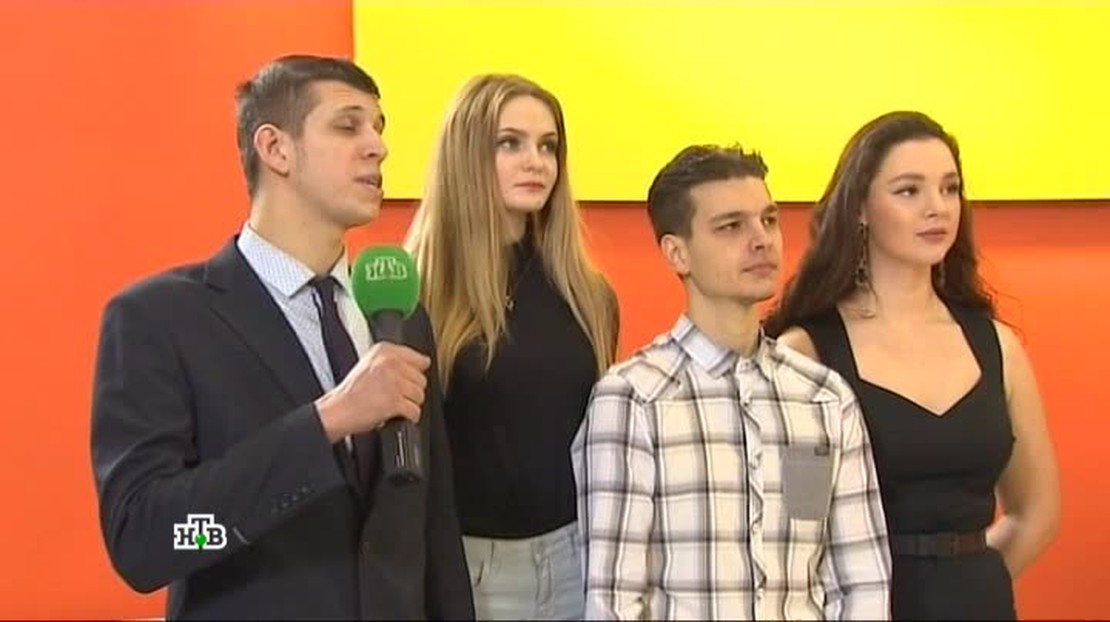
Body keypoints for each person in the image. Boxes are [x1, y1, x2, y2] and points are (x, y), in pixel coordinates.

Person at [90, 55, 474, 620]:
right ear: (275, 149)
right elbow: (152, 541)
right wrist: (325, 423)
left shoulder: (399, 315)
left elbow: (435, 528)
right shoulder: (158, 320)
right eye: (348, 126)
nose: (378, 147)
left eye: (378, 128)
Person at [572, 144, 892, 620]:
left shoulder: (824, 398)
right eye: (731, 226)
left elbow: (861, 581)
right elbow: (613, 600)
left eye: (768, 220)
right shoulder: (633, 400)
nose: (761, 240)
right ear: (677, 252)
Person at [765, 111, 1061, 620]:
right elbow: (796, 529)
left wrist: (968, 584)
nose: (937, 208)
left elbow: (1038, 511)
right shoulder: (806, 354)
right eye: (909, 191)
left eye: (950, 189)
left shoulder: (997, 344)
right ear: (860, 208)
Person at [404, 73, 619, 620]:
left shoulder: (588, 294)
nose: (536, 162)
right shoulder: (418, 293)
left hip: (578, 558)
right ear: (466, 154)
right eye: (510, 143)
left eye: (548, 146)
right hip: (470, 566)